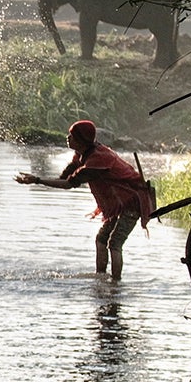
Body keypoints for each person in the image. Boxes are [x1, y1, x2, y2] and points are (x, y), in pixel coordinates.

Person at [18, 118, 159, 276]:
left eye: (71, 136)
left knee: (115, 243)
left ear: (80, 141)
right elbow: (64, 178)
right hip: (118, 204)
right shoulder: (81, 155)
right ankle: (101, 278)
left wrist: (37, 180)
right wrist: (37, 180)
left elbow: (69, 184)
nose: (68, 138)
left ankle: (115, 283)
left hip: (131, 202)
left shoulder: (97, 159)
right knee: (101, 239)